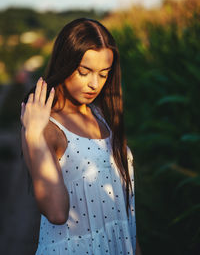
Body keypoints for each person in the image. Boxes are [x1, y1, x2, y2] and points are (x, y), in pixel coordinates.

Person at [21, 18, 142, 255]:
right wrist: (33, 135)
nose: (94, 84)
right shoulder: (45, 126)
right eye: (84, 72)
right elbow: (56, 213)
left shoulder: (101, 114)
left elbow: (123, 208)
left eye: (103, 74)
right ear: (65, 64)